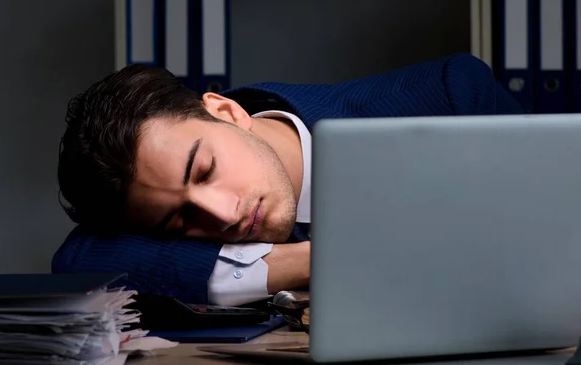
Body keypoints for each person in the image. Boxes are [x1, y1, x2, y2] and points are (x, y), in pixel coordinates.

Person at [52, 53, 526, 306]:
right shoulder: (163, 208)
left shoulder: (450, 96)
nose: (221, 215)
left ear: (226, 111)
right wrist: (315, 261)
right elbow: (79, 259)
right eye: (180, 220)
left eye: (205, 170)